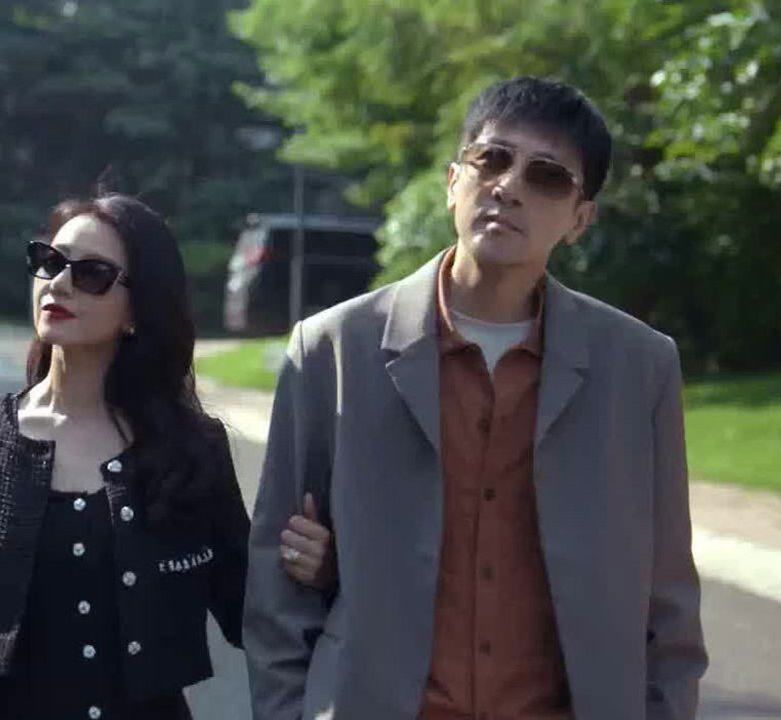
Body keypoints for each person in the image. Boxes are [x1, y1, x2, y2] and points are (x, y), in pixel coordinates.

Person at [243, 76, 708, 720]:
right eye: (492, 159)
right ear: (452, 181)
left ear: (580, 220)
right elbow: (277, 578)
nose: (509, 186)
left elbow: (668, 599)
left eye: (547, 177)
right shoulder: (333, 349)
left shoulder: (640, 368)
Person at [0, 191, 331, 720]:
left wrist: (317, 575)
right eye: (50, 261)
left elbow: (250, 611)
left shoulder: (189, 448)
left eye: (92, 274)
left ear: (137, 308)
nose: (59, 283)